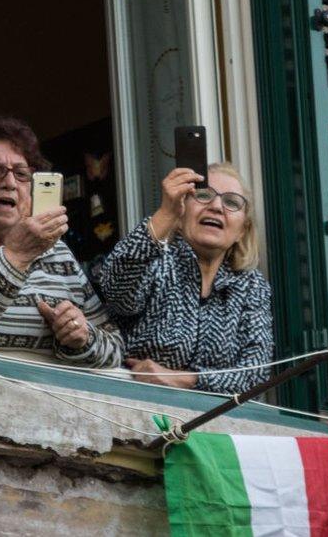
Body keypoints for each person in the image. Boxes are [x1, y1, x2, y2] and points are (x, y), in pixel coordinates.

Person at [99, 162, 275, 393]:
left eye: (231, 202)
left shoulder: (252, 286)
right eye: (203, 195)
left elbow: (256, 373)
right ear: (181, 214)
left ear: (242, 230)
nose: (216, 206)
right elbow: (115, 288)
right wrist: (165, 214)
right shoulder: (154, 260)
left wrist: (185, 379)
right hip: (131, 401)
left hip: (208, 418)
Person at [0, 116, 122, 368]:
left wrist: (81, 338)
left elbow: (115, 348)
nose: (9, 183)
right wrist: (16, 254)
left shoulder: (56, 251)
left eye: (21, 174)